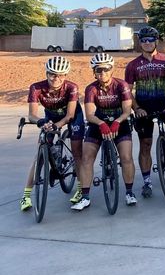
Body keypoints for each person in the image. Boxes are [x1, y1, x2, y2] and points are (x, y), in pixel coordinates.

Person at [125, 26, 165, 199]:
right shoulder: (132, 65)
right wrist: (136, 108)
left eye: (150, 40)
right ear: (140, 43)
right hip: (143, 107)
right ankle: (147, 182)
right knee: (146, 144)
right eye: (143, 40)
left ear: (156, 41)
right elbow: (127, 92)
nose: (147, 43)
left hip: (163, 103)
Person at [72, 53, 136, 211]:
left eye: (106, 70)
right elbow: (89, 114)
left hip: (119, 122)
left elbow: (127, 110)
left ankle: (129, 192)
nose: (102, 74)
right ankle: (85, 197)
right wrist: (101, 123)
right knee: (87, 157)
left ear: (112, 70)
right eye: (98, 71)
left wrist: (116, 122)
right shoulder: (91, 89)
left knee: (126, 157)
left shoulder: (122, 85)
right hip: (98, 123)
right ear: (94, 72)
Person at [21, 56, 86, 211]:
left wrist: (57, 125)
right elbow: (32, 115)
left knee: (77, 152)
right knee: (39, 157)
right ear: (47, 73)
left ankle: (80, 189)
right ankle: (26, 195)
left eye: (61, 75)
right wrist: (42, 122)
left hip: (72, 117)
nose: (57, 78)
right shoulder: (36, 88)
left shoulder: (72, 87)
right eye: (52, 74)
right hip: (50, 117)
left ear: (66, 75)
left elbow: (70, 115)